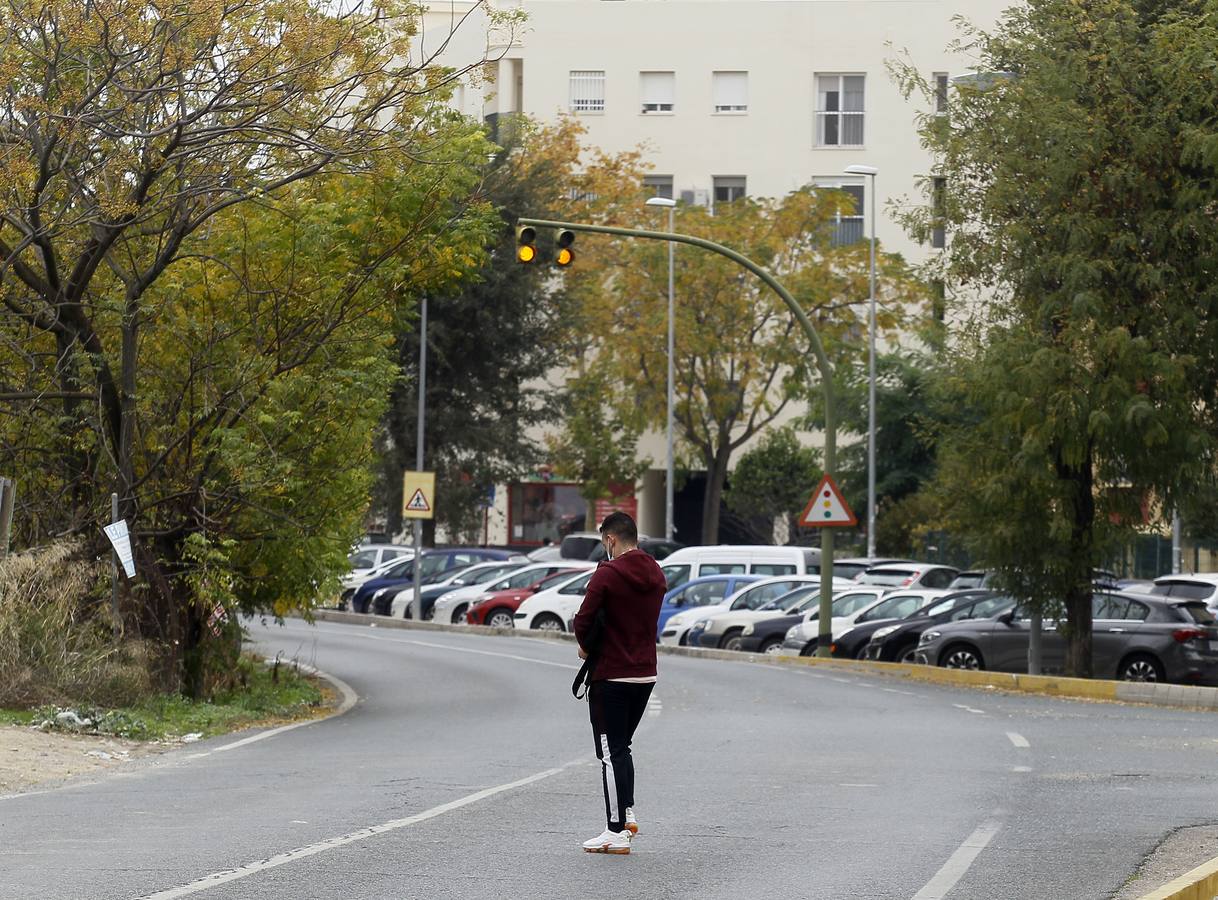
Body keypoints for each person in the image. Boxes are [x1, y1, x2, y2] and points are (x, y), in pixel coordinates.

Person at [572, 511, 666, 855]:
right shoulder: (656, 571)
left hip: (611, 674)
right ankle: (626, 814)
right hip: (645, 673)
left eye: (604, 542)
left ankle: (615, 831)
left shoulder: (608, 574)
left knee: (610, 752)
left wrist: (587, 647)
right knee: (621, 747)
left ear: (610, 539)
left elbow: (583, 619)